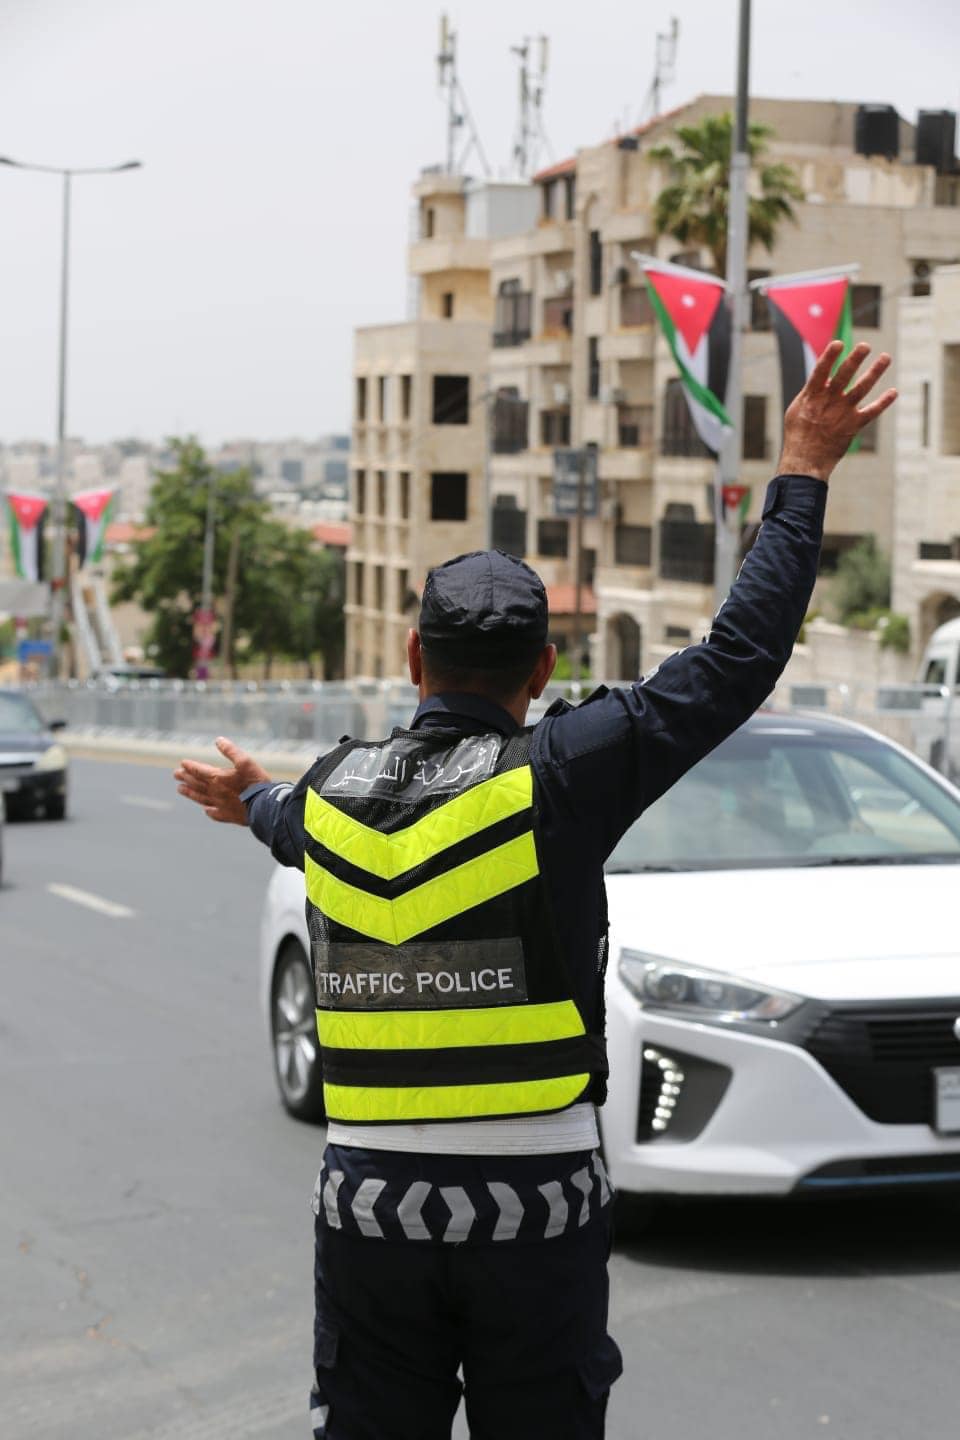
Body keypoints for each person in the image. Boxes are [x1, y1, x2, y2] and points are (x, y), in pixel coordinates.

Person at [174, 341, 896, 1440]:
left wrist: (251, 796)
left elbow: (283, 821)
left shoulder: (329, 794)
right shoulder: (562, 773)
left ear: (413, 661)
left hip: (367, 1211)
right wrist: (802, 469)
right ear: (543, 670)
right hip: (537, 1210)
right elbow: (738, 658)